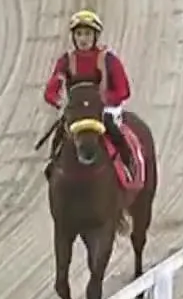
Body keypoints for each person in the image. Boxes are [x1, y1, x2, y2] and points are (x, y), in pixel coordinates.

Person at [42, 10, 135, 177]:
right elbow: (51, 91)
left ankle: (128, 164)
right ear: (73, 37)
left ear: (95, 36)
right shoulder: (66, 61)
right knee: (60, 134)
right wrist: (60, 102)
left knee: (113, 128)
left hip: (103, 109)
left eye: (87, 34)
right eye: (79, 34)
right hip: (77, 109)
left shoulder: (108, 59)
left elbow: (123, 90)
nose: (83, 39)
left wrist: (104, 100)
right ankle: (53, 166)